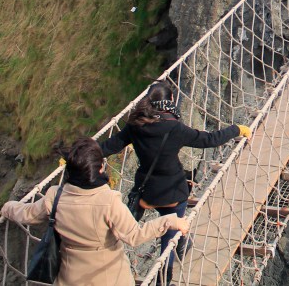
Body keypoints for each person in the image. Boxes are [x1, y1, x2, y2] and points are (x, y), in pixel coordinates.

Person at [100, 83, 251, 283]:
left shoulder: (134, 125)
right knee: (169, 239)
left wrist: (73, 156)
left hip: (146, 194)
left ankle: (176, 244)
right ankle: (165, 276)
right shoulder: (174, 127)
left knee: (124, 230)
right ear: (170, 101)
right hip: (172, 193)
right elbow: (208, 140)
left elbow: (110, 145)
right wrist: (236, 129)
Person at [1, 137, 189, 286]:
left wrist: (7, 208)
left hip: (70, 278)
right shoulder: (108, 201)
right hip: (110, 277)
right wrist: (171, 221)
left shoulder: (55, 197)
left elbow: (27, 214)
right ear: (100, 168)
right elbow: (134, 236)